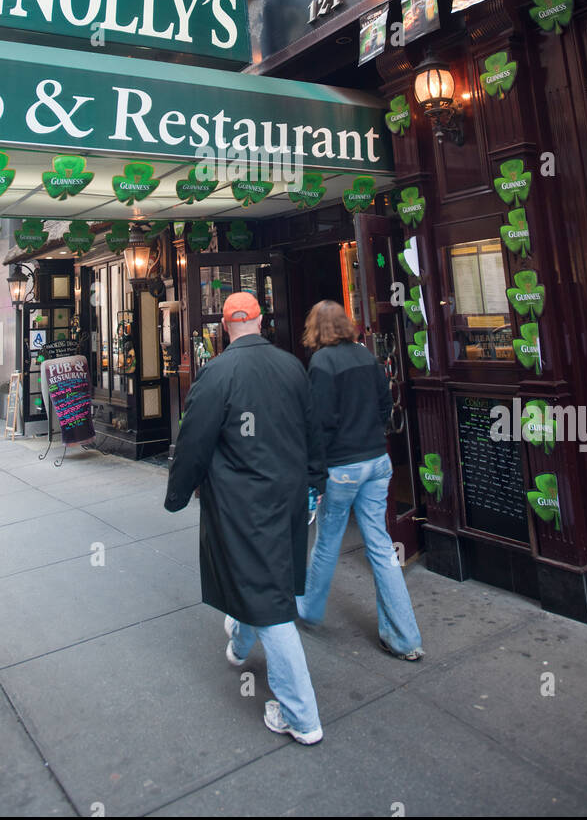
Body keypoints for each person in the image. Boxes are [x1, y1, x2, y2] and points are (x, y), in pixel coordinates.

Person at [165, 292, 326, 745]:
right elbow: (313, 431)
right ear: (260, 320)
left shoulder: (217, 373)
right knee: (266, 581)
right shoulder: (292, 366)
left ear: (223, 326)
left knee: (270, 602)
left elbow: (193, 441)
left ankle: (302, 716)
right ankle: (238, 644)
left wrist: (178, 493)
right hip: (288, 497)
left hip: (243, 503)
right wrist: (315, 485)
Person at [297, 301, 424, 660]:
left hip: (342, 467)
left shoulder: (321, 363)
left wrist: (315, 476)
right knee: (382, 548)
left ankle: (309, 609)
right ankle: (405, 638)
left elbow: (318, 424)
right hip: (377, 462)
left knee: (326, 543)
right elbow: (386, 405)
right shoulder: (366, 355)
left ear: (316, 329)